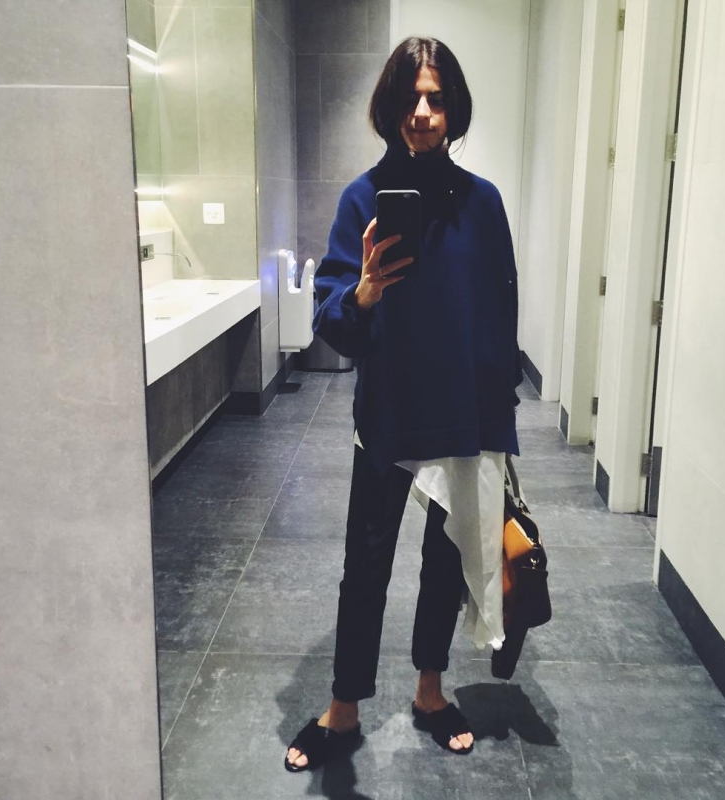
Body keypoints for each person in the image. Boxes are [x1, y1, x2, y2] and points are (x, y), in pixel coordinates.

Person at [284, 36, 523, 772]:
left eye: (436, 98)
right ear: (390, 108)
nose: (423, 112)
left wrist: (500, 419)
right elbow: (330, 317)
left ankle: (429, 689)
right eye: (411, 98)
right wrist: (361, 294)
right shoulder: (363, 199)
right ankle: (344, 704)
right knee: (366, 562)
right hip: (388, 414)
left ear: (453, 110)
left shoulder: (484, 204)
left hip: (461, 412)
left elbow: (500, 314)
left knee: (444, 562)